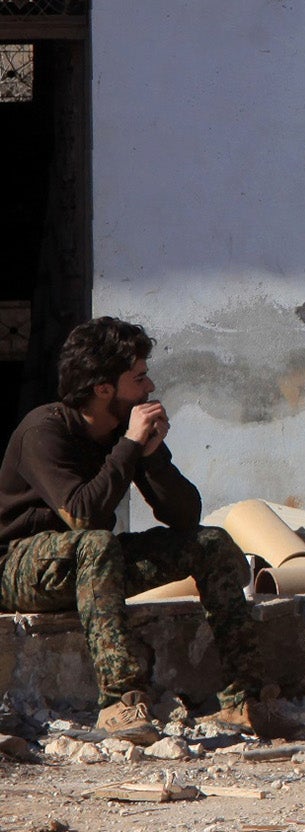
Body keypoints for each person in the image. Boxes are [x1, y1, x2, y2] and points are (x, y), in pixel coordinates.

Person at [0, 317, 282, 742]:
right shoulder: (45, 429)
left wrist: (152, 458)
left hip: (95, 562)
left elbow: (186, 517)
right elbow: (82, 517)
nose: (149, 388)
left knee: (211, 543)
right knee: (96, 542)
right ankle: (121, 702)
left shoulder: (125, 431)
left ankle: (245, 699)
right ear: (103, 388)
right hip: (19, 566)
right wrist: (129, 446)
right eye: (139, 378)